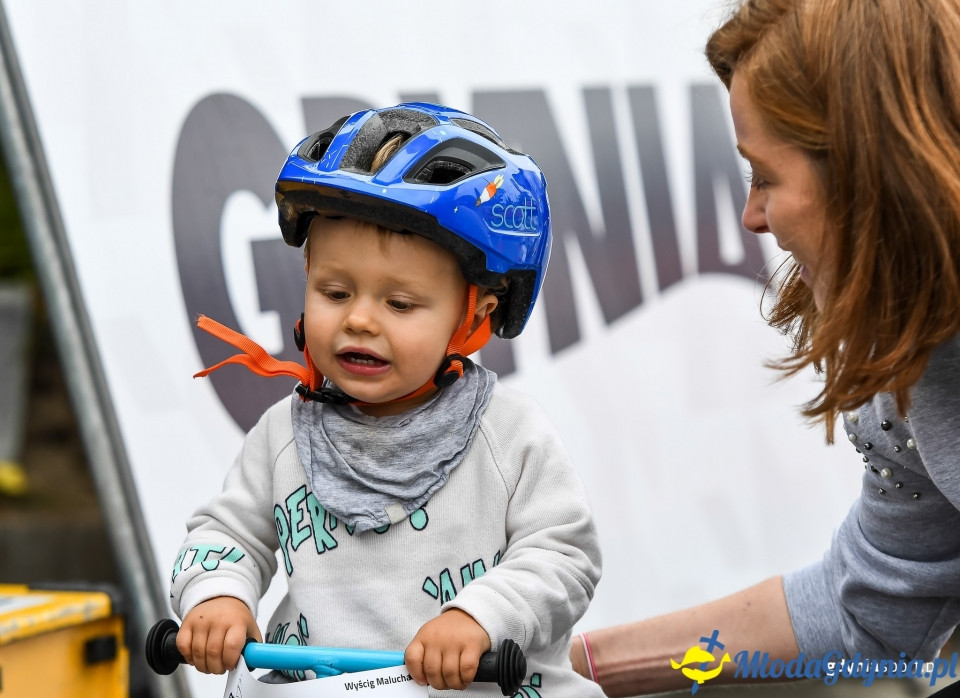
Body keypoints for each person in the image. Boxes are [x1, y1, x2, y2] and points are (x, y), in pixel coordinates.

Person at [569, 0, 960, 694]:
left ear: (868, 170)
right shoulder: (910, 369)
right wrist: (569, 669)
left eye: (765, 175)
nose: (752, 215)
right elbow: (863, 611)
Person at [168, 103, 604, 696]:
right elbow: (227, 533)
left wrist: (479, 616)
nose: (360, 320)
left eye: (400, 304)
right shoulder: (281, 436)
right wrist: (217, 596)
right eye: (335, 291)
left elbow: (563, 555)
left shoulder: (509, 435)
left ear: (475, 313)